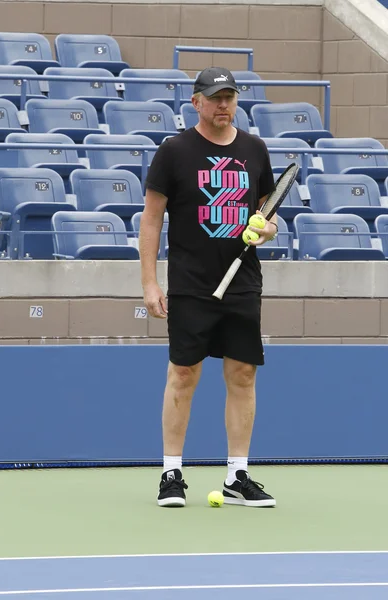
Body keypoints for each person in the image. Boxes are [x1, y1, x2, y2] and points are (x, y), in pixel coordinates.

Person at [140, 67, 278, 508]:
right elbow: (151, 218)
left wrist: (267, 230)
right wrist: (149, 282)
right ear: (196, 102)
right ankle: (171, 474)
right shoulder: (174, 151)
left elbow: (266, 214)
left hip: (242, 282)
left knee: (243, 374)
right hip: (190, 282)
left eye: (230, 97)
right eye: (215, 97)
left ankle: (238, 476)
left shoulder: (255, 150)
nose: (224, 105)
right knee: (183, 373)